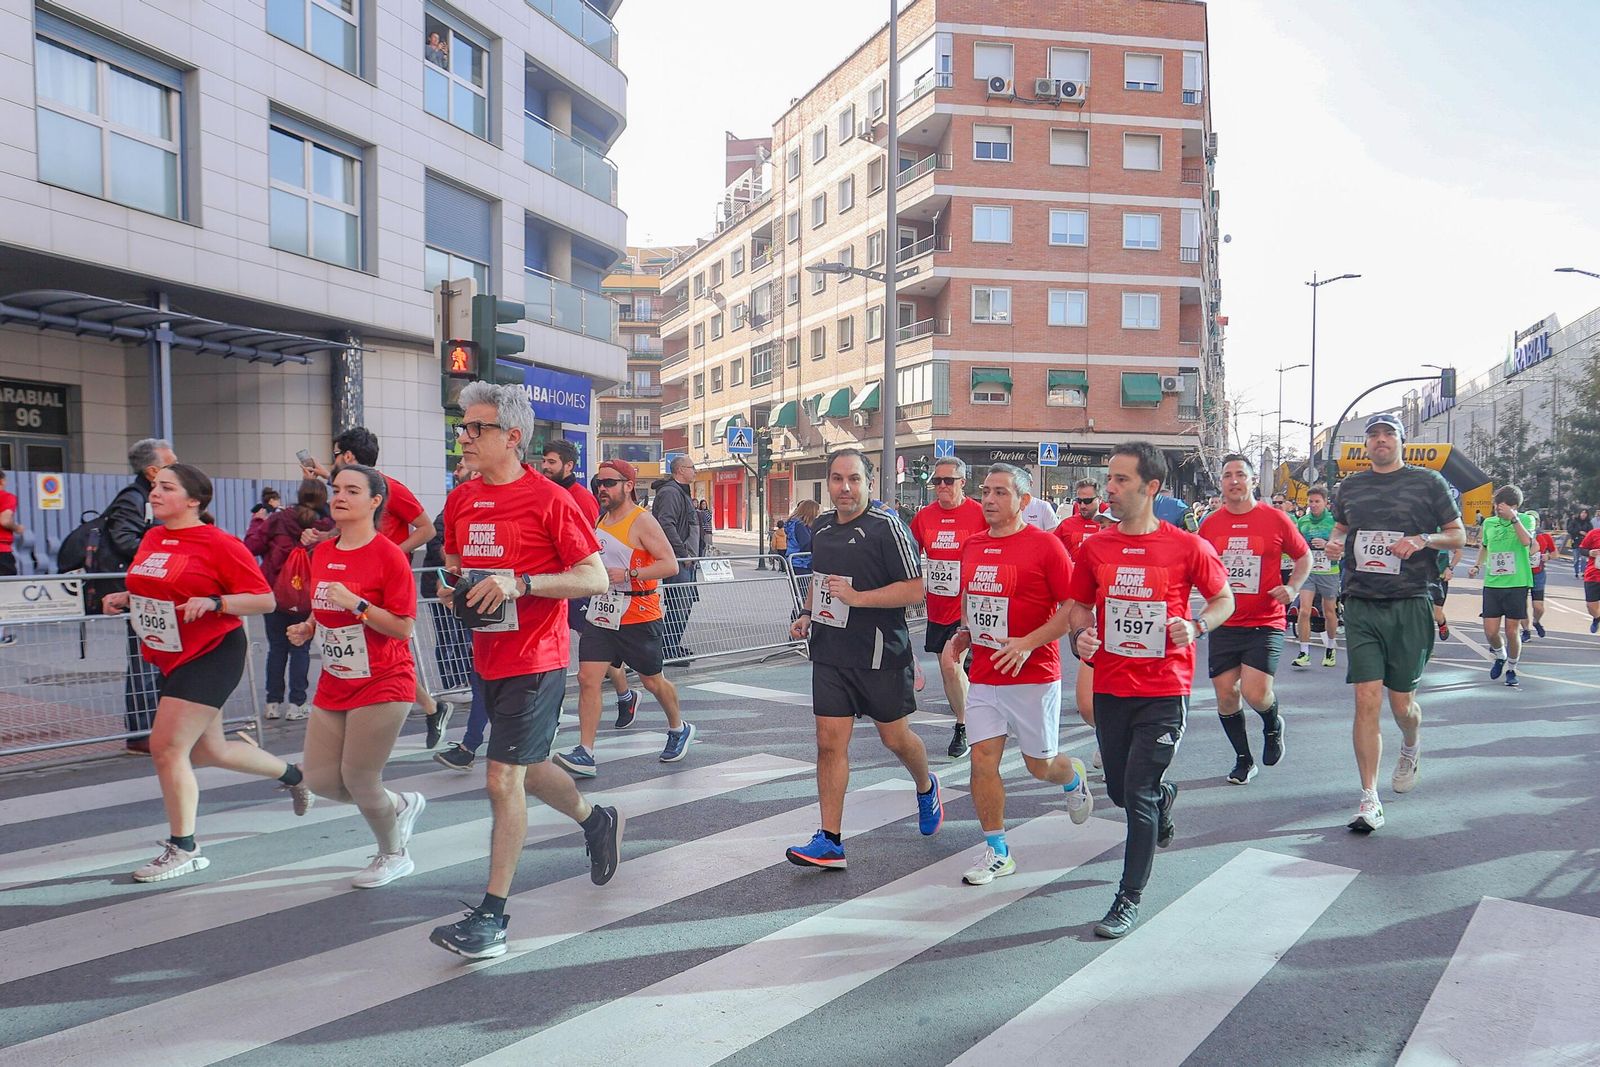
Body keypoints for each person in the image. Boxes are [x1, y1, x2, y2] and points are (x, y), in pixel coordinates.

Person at [428, 381, 618, 961]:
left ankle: (492, 918)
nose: (463, 437)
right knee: (531, 770)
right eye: (462, 427)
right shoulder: (461, 499)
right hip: (488, 655)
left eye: (475, 428)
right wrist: (452, 591)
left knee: (502, 780)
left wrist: (523, 583)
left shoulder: (549, 500)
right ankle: (595, 820)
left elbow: (595, 578)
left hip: (537, 659)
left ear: (511, 437)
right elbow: (454, 570)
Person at [102, 463, 313, 881]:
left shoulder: (219, 543)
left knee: (165, 747)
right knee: (208, 751)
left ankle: (185, 847)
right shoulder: (154, 536)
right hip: (173, 653)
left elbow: (264, 600)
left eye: (166, 488)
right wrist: (126, 596)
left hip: (213, 651)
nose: (155, 493)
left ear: (194, 500)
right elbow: (158, 585)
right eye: (155, 487)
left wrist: (216, 602)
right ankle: (294, 775)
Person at [1066, 441, 1232, 938]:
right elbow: (1077, 606)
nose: (1109, 489)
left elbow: (1223, 599)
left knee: (1134, 793)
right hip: (1112, 686)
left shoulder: (1187, 546)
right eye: (1108, 479)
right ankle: (1163, 798)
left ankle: (1127, 898)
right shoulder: (1095, 547)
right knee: (1120, 790)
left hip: (1164, 689)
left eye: (1120, 480)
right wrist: (1082, 636)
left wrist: (1198, 626)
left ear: (1150, 487)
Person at [785, 449, 943, 869]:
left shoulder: (887, 526)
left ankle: (926, 785)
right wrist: (804, 614)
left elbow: (914, 590)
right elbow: (821, 585)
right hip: (831, 652)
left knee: (896, 739)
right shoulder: (819, 527)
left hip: (880, 654)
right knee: (828, 744)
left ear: (868, 483)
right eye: (837, 479)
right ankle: (830, 839)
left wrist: (858, 599)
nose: (845, 488)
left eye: (853, 479)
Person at [945, 464, 1093, 886]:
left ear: (1024, 501)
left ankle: (1072, 777)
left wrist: (1027, 642)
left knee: (1040, 766)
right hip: (988, 674)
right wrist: (965, 633)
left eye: (1000, 493)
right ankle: (997, 851)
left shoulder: (1045, 546)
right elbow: (974, 598)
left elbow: (1073, 607)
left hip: (1034, 675)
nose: (989, 500)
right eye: (985, 491)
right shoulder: (973, 545)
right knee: (982, 760)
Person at [286, 464, 426, 888]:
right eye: (336, 489)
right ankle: (399, 805)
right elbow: (324, 603)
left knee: (361, 778)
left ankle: (393, 854)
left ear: (375, 501)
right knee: (322, 779)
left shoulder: (389, 556)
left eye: (352, 490)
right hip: (336, 678)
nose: (339, 496)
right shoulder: (323, 552)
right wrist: (309, 626)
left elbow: (404, 627)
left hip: (384, 678)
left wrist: (358, 605)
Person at [1323, 413, 1463, 832]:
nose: (1380, 440)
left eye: (1388, 434)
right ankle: (1369, 797)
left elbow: (1457, 534)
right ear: (1366, 445)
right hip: (1363, 602)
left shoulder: (1428, 483)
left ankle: (1411, 742)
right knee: (1366, 698)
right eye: (1374, 435)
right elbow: (1341, 527)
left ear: (1401, 441)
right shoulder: (1350, 487)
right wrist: (1333, 543)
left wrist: (1423, 539)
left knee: (1403, 706)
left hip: (1409, 602)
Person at [555, 459, 694, 777]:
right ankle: (586, 752)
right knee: (587, 679)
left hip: (638, 613)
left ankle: (678, 727)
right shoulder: (602, 519)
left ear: (628, 486)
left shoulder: (642, 521)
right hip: (602, 613)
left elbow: (670, 565)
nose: (601, 489)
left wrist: (631, 572)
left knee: (652, 681)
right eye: (598, 483)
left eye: (609, 483)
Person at [313, 427, 440, 736]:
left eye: (336, 455)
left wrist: (390, 554)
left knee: (392, 649)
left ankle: (424, 707)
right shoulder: (345, 498)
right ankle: (432, 708)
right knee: (384, 652)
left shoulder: (390, 488)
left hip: (385, 586)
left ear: (348, 456)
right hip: (351, 588)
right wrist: (324, 537)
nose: (340, 495)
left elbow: (426, 529)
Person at [1198, 455, 1309, 785]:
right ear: (1221, 483)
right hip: (1224, 622)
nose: (1234, 480)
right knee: (1226, 695)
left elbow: (1304, 556)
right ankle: (1243, 759)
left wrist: (1293, 587)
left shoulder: (1275, 519)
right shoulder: (1210, 524)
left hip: (1265, 619)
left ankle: (1273, 723)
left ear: (1252, 481)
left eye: (1240, 475)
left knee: (1256, 693)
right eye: (1228, 475)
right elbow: (1195, 565)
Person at [910, 457, 986, 761]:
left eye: (948, 481)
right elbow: (907, 553)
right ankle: (969, 712)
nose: (941, 486)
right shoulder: (925, 517)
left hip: (967, 609)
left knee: (948, 664)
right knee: (950, 675)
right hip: (937, 609)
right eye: (937, 481)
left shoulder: (979, 514)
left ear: (962, 482)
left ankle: (962, 726)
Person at [104, 438, 176, 753]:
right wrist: (163, 549)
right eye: (172, 464)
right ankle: (141, 731)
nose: (179, 468)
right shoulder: (133, 498)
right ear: (152, 471)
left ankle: (159, 727)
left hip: (159, 587)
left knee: (162, 659)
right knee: (146, 659)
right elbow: (123, 539)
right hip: (143, 590)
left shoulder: (152, 497)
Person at [244, 479, 334, 721]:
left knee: (276, 648)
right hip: (307, 596)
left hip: (275, 593)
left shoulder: (278, 520)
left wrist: (256, 523)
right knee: (301, 647)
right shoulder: (327, 527)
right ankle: (297, 704)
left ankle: (272, 703)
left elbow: (251, 546)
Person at [1466, 485, 1536, 688]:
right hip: (1493, 583)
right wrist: (1477, 565)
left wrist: (1513, 518)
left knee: (1512, 631)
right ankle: (1500, 654)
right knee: (1490, 631)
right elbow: (1485, 547)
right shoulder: (1489, 523)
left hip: (1517, 583)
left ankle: (1512, 668)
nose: (1498, 509)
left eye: (1502, 506)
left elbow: (1526, 542)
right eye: (1496, 505)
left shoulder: (1525, 520)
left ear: (1514, 507)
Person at [652, 456, 701, 660]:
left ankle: (672, 645)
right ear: (681, 470)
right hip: (680, 559)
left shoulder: (678, 492)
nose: (695, 471)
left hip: (686, 559)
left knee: (684, 602)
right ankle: (668, 648)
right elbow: (666, 524)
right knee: (679, 603)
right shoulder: (671, 492)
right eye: (692, 468)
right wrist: (682, 554)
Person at [1293, 485, 1342, 668]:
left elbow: (1343, 543)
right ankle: (1304, 652)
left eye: (1317, 502)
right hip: (1309, 571)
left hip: (1329, 571)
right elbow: (1297, 543)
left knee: (1329, 611)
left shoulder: (1333, 521)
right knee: (1304, 610)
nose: (1313, 505)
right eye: (1310, 501)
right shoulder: (1303, 521)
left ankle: (1330, 649)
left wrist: (1327, 543)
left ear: (1325, 503)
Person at [1053, 479, 1103, 558]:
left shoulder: (1109, 525)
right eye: (1079, 501)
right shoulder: (1066, 525)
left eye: (1087, 501)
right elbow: (1051, 551)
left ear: (1099, 499)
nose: (1082, 506)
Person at [0, 470, 22, 646]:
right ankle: (1, 635)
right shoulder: (6, 497)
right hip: (1, 551)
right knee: (4, 593)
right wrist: (17, 528)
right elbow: (5, 519)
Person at [1529, 516, 1557, 640]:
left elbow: (1555, 553)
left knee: (1538, 607)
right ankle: (1525, 631)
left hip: (1538, 574)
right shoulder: (1517, 534)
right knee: (1520, 606)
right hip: (1521, 574)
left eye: (1535, 521)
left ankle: (1536, 621)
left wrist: (1548, 557)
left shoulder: (1545, 537)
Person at [1429, 536, 1461, 641]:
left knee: (1435, 614)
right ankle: (1428, 646)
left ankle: (1442, 622)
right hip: (1422, 578)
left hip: (1439, 579)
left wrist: (1450, 568)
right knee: (1423, 613)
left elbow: (1458, 552)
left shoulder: (1445, 532)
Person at [1580, 522, 1600, 634]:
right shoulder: (1594, 533)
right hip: (1593, 575)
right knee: (1591, 606)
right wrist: (1590, 552)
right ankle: (1597, 618)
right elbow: (1582, 549)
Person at [1567, 508, 1591, 579]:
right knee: (1576, 559)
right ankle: (1576, 572)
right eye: (1582, 513)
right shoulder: (1574, 521)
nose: (1583, 514)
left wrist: (1587, 534)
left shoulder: (1588, 523)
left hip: (1585, 543)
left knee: (1584, 559)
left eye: (1585, 513)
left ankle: (1583, 572)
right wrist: (1579, 531)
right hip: (1576, 542)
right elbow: (1570, 530)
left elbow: (1591, 531)